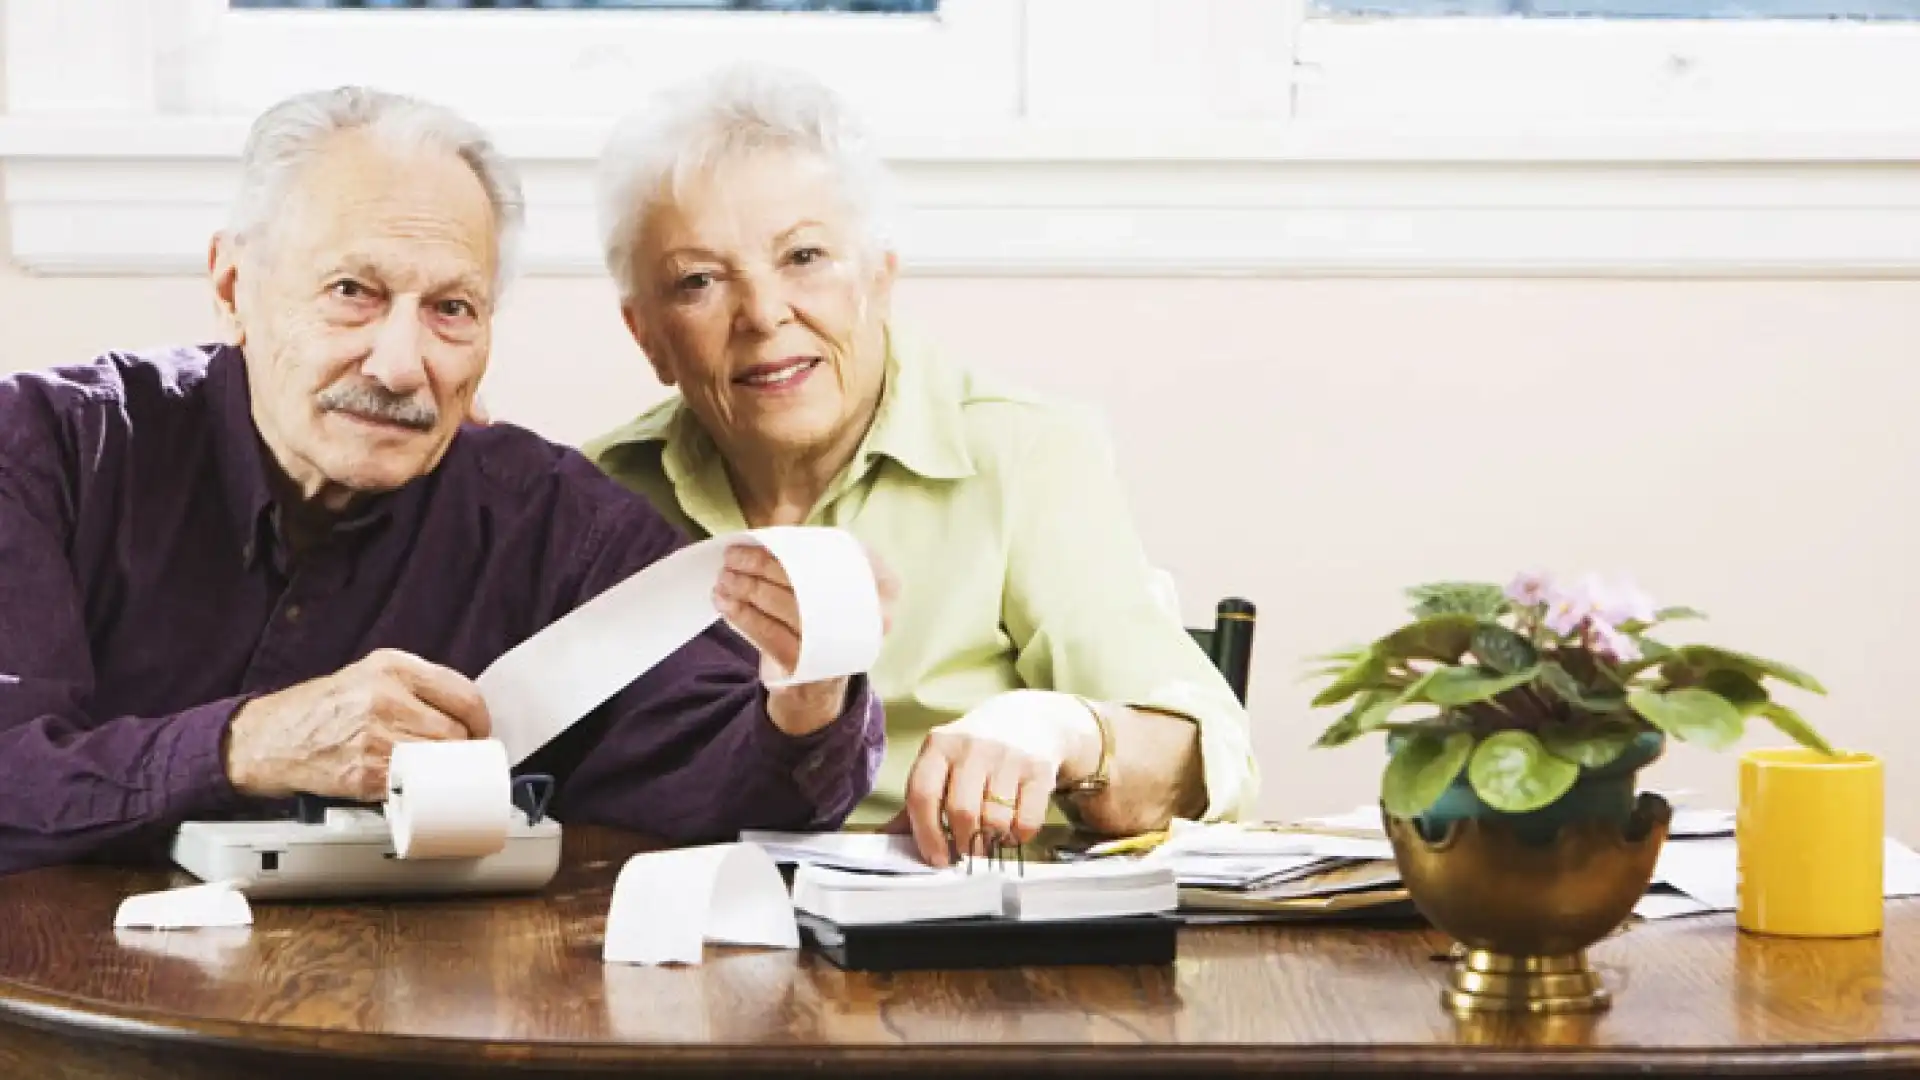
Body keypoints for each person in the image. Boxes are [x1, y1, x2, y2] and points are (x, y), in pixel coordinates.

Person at [0, 86, 896, 878]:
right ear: (234, 285)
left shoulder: (557, 526)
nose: (400, 364)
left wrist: (807, 697)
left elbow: (727, 793)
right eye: (353, 290)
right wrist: (245, 744)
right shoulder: (48, 451)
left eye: (450, 310)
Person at [582, 64, 1259, 867]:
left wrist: (1064, 732)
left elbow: (1208, 765)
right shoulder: (593, 496)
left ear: (879, 279)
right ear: (647, 336)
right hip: (671, 946)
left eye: (804, 257)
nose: (763, 314)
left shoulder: (1023, 453)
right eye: (698, 281)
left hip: (965, 949)